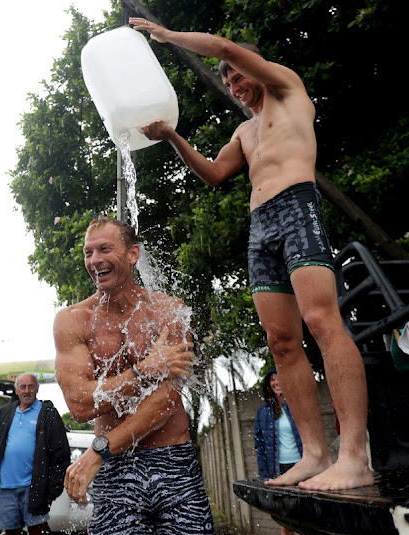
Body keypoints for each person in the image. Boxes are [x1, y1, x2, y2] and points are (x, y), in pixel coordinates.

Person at [128, 18, 374, 491]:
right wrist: (172, 138)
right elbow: (216, 173)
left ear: (256, 68)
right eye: (226, 80)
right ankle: (314, 454)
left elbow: (222, 45)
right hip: (261, 227)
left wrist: (168, 36)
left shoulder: (288, 90)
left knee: (322, 322)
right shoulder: (245, 131)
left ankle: (356, 456)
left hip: (298, 207)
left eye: (237, 74)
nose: (234, 83)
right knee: (281, 341)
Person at [54, 216, 215, 535]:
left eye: (104, 249)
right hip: (115, 470)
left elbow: (167, 399)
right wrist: (146, 370)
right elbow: (80, 404)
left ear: (132, 254)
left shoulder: (169, 311)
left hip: (172, 462)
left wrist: (100, 449)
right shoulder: (72, 321)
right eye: (88, 252)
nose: (95, 260)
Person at [0, 373, 70, 535]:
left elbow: (62, 454)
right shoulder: (6, 412)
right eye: (23, 387)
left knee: (37, 531)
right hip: (6, 487)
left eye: (31, 386)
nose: (27, 391)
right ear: (16, 390)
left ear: (37, 389)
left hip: (34, 488)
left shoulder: (48, 413)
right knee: (11, 532)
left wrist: (52, 491)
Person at [255, 368, 303, 535]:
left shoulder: (298, 405)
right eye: (273, 379)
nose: (277, 382)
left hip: (303, 467)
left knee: (307, 516)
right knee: (285, 521)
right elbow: (259, 446)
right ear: (269, 384)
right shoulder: (263, 413)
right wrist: (264, 476)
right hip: (279, 471)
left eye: (280, 378)